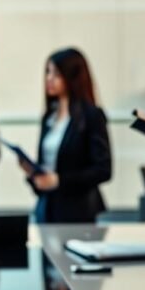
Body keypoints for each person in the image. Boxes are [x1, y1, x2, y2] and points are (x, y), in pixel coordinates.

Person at [21, 48, 111, 223]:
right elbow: (46, 168)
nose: (49, 79)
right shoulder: (49, 117)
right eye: (47, 72)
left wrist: (59, 181)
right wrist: (33, 173)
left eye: (56, 74)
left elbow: (103, 170)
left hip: (79, 212)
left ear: (72, 78)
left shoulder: (92, 116)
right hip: (47, 209)